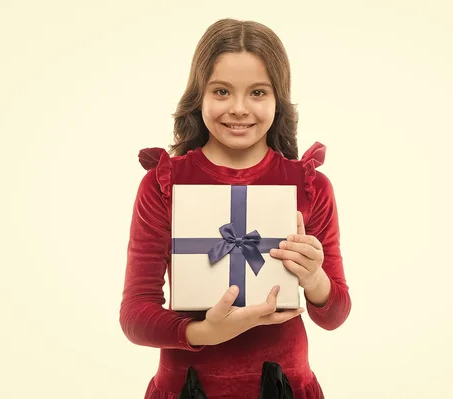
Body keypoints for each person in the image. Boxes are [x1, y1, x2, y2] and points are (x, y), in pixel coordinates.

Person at [119, 18, 352, 399]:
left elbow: (335, 314)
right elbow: (135, 314)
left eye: (258, 92)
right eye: (222, 91)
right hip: (187, 389)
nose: (239, 109)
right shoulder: (163, 186)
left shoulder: (310, 186)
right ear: (199, 95)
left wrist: (315, 278)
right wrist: (206, 333)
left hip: (282, 389)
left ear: (279, 99)